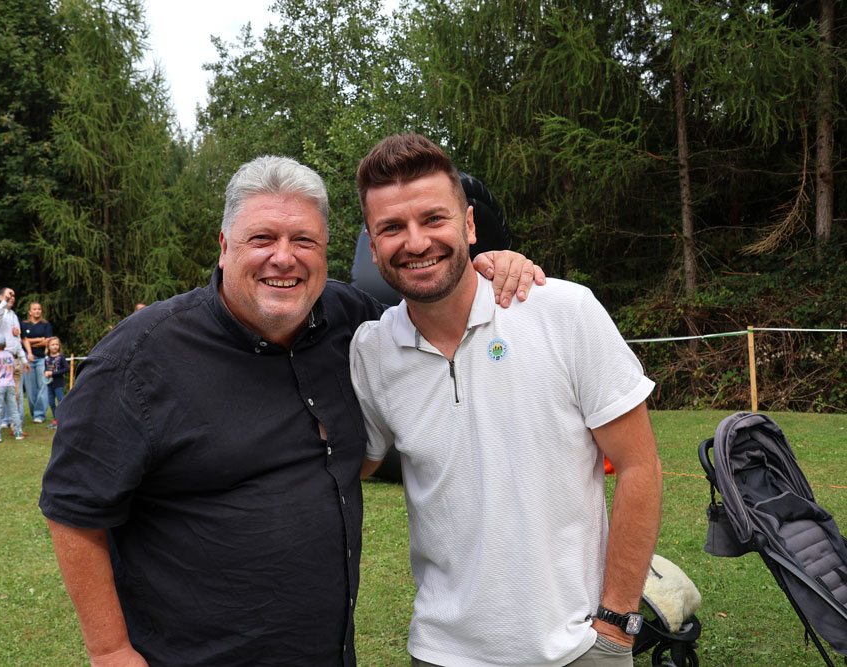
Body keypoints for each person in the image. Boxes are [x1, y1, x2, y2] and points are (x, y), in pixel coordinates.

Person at [39, 155, 545, 667]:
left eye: (304, 240)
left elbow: (437, 307)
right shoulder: (137, 360)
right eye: (262, 239)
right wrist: (110, 651)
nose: (284, 258)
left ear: (325, 251)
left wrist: (494, 266)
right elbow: (73, 508)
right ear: (224, 247)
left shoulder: (353, 322)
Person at [349, 134, 663, 667]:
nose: (416, 242)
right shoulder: (371, 351)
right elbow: (351, 465)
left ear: (469, 225)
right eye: (392, 228)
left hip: (575, 650)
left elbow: (640, 466)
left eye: (434, 219)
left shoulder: (564, 311)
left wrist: (615, 626)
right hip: (439, 652)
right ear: (372, 246)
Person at [0, 287, 30, 433]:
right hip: (1, 359)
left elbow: (16, 339)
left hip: (14, 358)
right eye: (8, 295)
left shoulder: (14, 316)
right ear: (1, 297)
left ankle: (15, 425)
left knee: (16, 394)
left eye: (13, 295)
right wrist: (4, 303)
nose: (12, 297)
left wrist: (24, 359)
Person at [22, 301, 54, 424]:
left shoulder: (46, 325)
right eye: (34, 309)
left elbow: (48, 341)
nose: (37, 311)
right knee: (30, 388)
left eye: (39, 309)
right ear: (29, 312)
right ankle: (33, 412)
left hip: (42, 358)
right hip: (28, 358)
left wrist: (30, 342)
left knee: (42, 386)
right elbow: (21, 340)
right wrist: (38, 339)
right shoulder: (24, 325)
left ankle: (40, 414)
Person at [41, 336, 69, 429]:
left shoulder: (61, 357)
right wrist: (45, 373)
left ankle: (62, 421)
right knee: (52, 403)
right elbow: (46, 369)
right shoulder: (47, 358)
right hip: (50, 385)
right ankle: (55, 421)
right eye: (53, 345)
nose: (55, 346)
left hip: (58, 384)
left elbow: (67, 368)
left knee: (60, 402)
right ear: (48, 347)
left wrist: (53, 373)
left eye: (57, 344)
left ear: (59, 346)